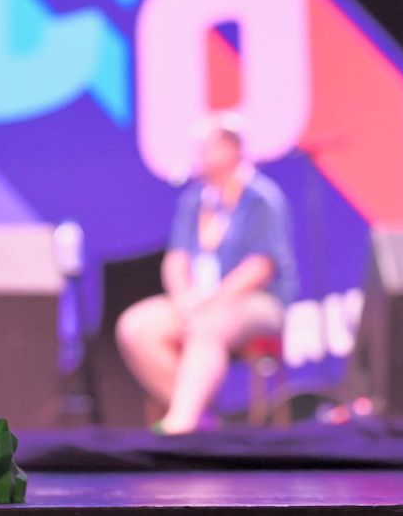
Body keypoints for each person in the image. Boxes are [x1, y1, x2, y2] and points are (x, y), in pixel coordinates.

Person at [116, 112, 298, 434]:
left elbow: (260, 267)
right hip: (198, 299)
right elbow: (176, 259)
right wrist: (184, 299)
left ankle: (180, 424)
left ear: (231, 148)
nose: (198, 155)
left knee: (208, 326)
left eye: (205, 148)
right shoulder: (194, 200)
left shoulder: (261, 198)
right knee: (136, 326)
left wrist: (210, 303)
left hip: (255, 301)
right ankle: (202, 417)